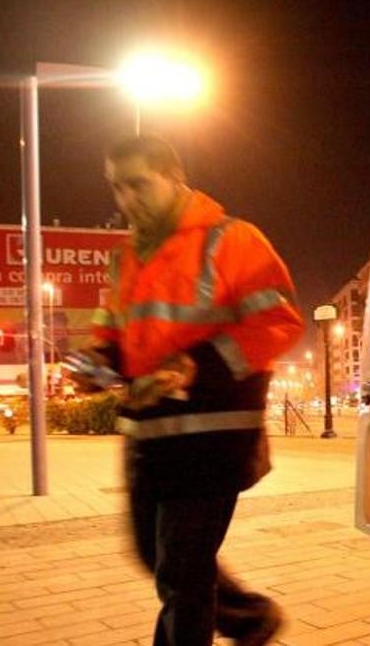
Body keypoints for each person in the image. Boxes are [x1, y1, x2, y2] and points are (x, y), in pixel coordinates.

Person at [75, 134, 303, 645]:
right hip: (146, 437)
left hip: (212, 438)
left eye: (138, 185)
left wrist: (192, 364)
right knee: (151, 555)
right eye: (116, 188)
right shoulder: (124, 257)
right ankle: (250, 619)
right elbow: (112, 336)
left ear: (174, 178)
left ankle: (241, 621)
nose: (125, 200)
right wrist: (95, 362)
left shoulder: (232, 239)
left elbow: (279, 323)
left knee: (181, 573)